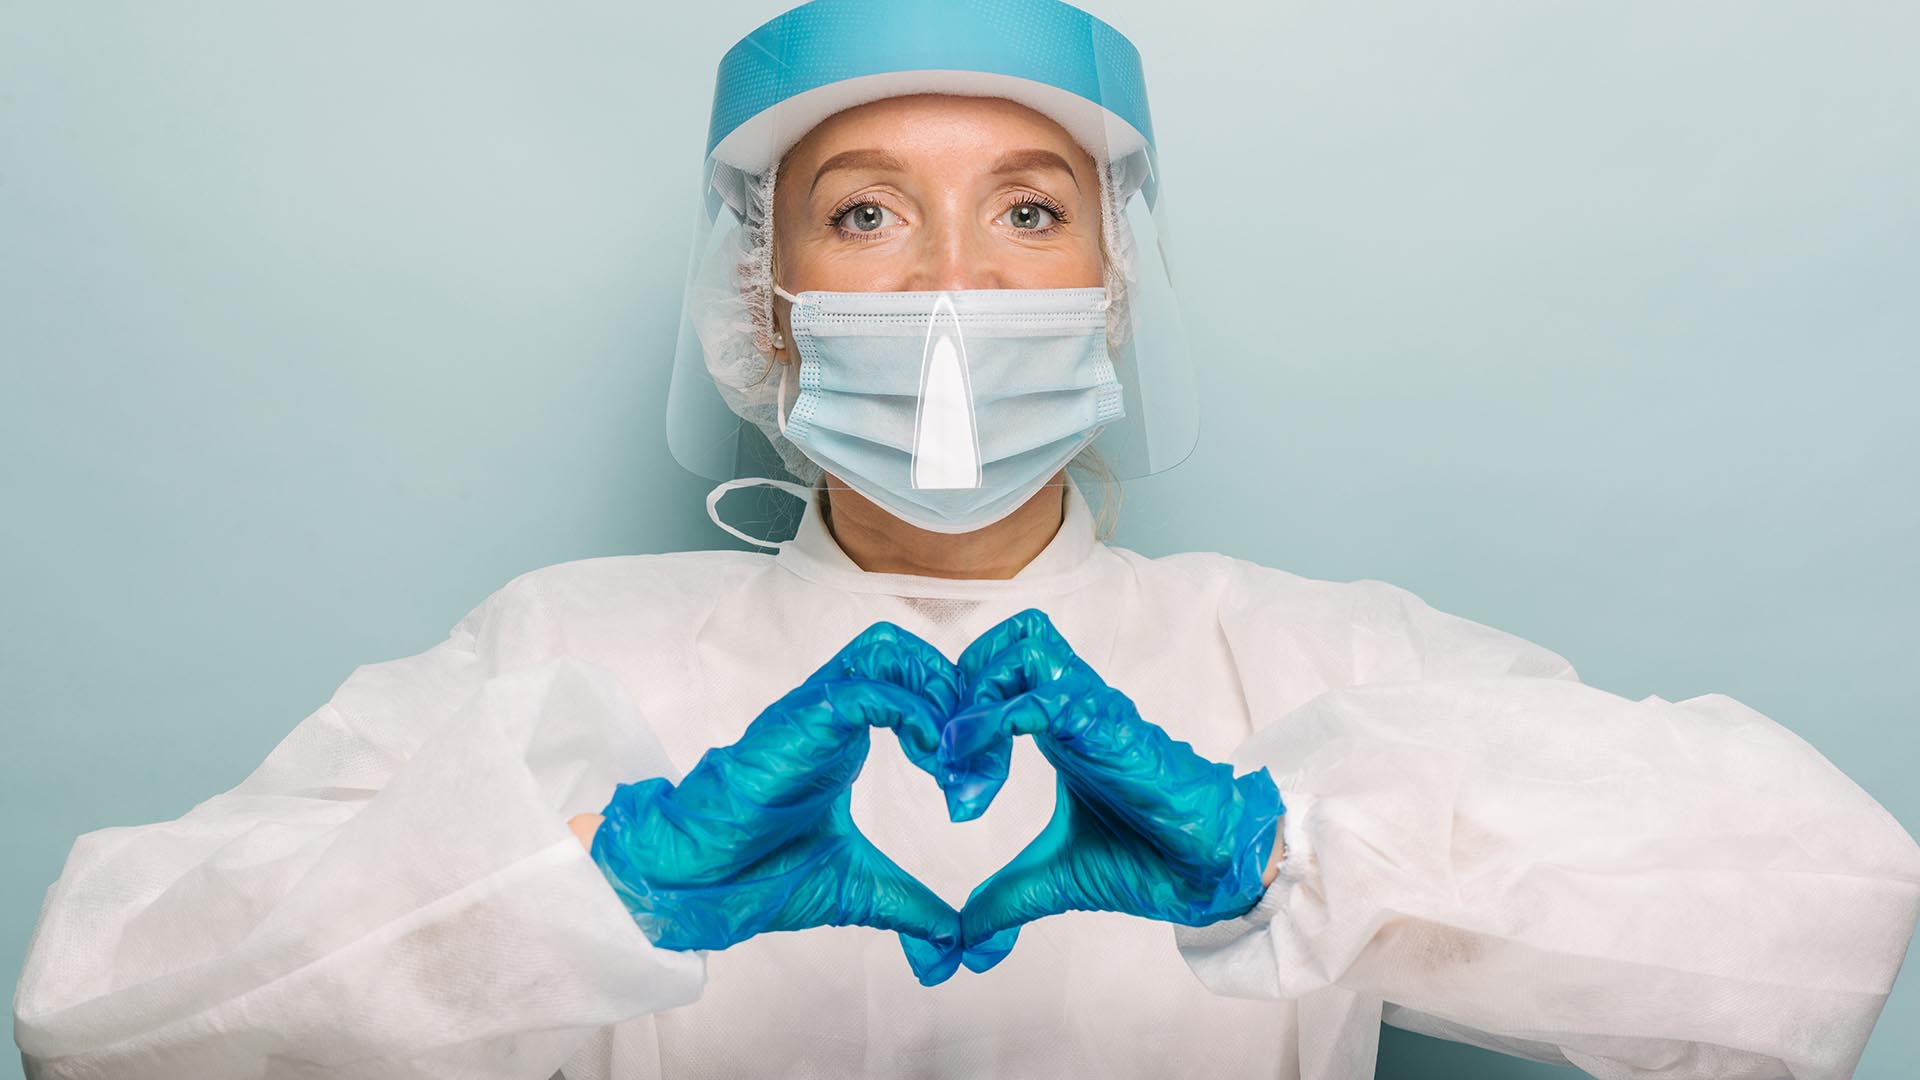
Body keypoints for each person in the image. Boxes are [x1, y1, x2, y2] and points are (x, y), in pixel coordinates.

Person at [14, 1, 1920, 1078]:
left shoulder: (1315, 668)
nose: (946, 285)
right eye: (860, 217)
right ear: (755, 307)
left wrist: (1301, 846)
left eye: (1027, 212)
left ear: (1113, 293)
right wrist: (575, 884)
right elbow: (94, 1013)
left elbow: (1823, 917)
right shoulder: (562, 659)